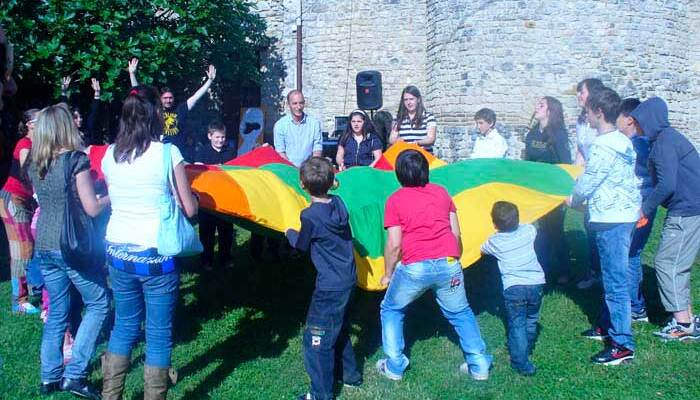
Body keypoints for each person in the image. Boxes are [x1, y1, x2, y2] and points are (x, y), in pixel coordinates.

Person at [100, 87, 199, 400]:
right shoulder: (168, 153)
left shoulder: (110, 154)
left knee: (124, 326)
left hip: (117, 251)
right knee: (157, 333)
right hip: (155, 255)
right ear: (154, 115)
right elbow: (190, 209)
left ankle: (110, 394)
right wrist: (195, 196)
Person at [377, 149, 492, 381]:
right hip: (449, 263)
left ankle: (395, 365)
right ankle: (479, 364)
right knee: (460, 312)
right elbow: (456, 233)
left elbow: (394, 245)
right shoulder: (441, 193)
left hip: (415, 267)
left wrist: (387, 274)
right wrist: (454, 260)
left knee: (391, 309)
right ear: (425, 171)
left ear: (399, 174)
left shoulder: (395, 200)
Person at [27, 104, 110, 399]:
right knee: (99, 301)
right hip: (69, 245)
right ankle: (75, 374)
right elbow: (91, 207)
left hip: (45, 244)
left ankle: (49, 376)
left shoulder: (35, 162)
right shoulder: (75, 160)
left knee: (58, 310)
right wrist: (110, 194)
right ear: (66, 128)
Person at [568, 87, 640, 365]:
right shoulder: (622, 141)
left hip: (612, 219)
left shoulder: (603, 145)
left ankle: (622, 343)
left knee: (615, 282)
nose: (586, 115)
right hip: (622, 215)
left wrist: (572, 198)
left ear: (599, 113)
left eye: (588, 111)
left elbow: (589, 181)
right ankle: (605, 325)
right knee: (611, 275)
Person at [285, 157, 361, 400]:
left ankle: (320, 394)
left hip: (330, 287)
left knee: (316, 338)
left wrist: (289, 234)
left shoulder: (309, 216)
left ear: (302, 185)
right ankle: (349, 376)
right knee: (339, 327)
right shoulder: (339, 204)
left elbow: (301, 246)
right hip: (349, 278)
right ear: (331, 181)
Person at [631, 97, 700, 341]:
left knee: (666, 263)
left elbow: (667, 184)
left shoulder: (663, 144)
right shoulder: (669, 138)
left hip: (685, 211)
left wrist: (644, 209)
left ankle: (682, 324)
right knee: (677, 265)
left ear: (649, 120)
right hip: (691, 208)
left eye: (638, 120)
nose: (635, 124)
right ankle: (688, 318)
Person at [481, 201, 545, 376]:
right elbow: (532, 228)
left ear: (494, 224)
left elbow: (482, 249)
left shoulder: (495, 241)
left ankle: (520, 362)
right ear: (518, 219)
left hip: (514, 288)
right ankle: (527, 346)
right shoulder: (528, 231)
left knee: (517, 324)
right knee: (531, 319)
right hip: (536, 283)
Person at [523, 96, 572, 284]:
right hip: (537, 188)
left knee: (555, 229)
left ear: (550, 111)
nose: (537, 107)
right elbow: (528, 161)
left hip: (553, 189)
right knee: (542, 228)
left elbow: (566, 164)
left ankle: (565, 270)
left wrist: (563, 191)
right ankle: (541, 267)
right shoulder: (532, 134)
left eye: (541, 105)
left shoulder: (558, 135)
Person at [616, 98, 655, 323]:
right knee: (634, 253)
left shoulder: (636, 145)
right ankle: (636, 303)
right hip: (643, 204)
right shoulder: (643, 143)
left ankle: (635, 306)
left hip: (640, 206)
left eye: (619, 117)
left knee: (629, 254)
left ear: (629, 119)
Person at [128, 57, 216, 156]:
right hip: (158, 153)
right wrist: (132, 74)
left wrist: (209, 81)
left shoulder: (180, 109)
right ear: (160, 99)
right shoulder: (155, 109)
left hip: (177, 154)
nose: (168, 100)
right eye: (165, 98)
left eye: (170, 98)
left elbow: (196, 97)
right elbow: (138, 97)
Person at [0, 108, 40, 314]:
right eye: (40, 118)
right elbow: (27, 171)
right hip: (13, 200)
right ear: (31, 124)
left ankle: (30, 289)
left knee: (28, 246)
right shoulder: (25, 144)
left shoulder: (36, 144)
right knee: (20, 249)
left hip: (21, 200)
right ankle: (19, 301)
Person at [574, 78, 606, 290]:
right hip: (587, 177)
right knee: (590, 226)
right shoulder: (581, 121)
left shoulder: (604, 118)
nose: (578, 95)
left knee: (604, 229)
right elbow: (580, 151)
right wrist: (574, 177)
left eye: (581, 92)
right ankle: (595, 271)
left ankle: (607, 274)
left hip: (602, 178)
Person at [194, 121, 236, 271]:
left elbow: (236, 173)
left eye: (223, 137)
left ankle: (225, 258)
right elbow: (197, 174)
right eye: (217, 137)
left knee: (226, 231)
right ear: (209, 136)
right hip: (207, 200)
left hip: (225, 199)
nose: (220, 140)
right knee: (206, 232)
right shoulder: (202, 152)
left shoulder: (230, 152)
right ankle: (206, 260)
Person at [273, 90, 322, 167]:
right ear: (288, 104)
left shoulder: (314, 124)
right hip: (288, 169)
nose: (298, 107)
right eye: (295, 103)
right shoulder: (280, 125)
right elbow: (280, 152)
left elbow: (317, 149)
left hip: (309, 170)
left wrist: (311, 167)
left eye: (301, 103)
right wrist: (293, 169)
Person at [389, 86, 437, 153]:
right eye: (406, 100)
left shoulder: (429, 117)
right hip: (405, 156)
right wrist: (397, 140)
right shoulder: (398, 118)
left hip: (424, 156)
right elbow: (391, 139)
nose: (409, 102)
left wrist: (417, 143)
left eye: (411, 99)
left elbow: (431, 139)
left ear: (418, 100)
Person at [59, 76, 104, 146]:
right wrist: (63, 92)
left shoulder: (86, 130)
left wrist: (97, 93)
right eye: (75, 117)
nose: (80, 119)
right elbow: (64, 108)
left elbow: (93, 112)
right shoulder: (65, 133)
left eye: (80, 116)